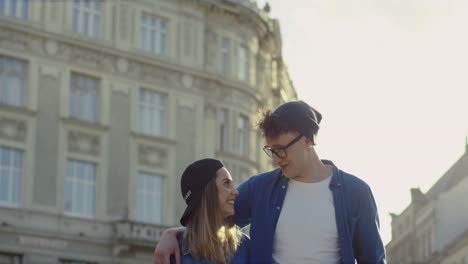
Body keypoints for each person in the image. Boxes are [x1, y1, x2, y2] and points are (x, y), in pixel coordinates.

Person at [155, 101, 385, 264]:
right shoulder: (260, 188)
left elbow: (372, 259)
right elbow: (212, 214)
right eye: (271, 151)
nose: (275, 159)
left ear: (307, 140)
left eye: (281, 150)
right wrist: (172, 234)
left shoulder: (357, 193)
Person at [170, 158, 249, 264]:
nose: (235, 192)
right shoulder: (175, 253)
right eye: (226, 183)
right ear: (208, 193)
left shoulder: (245, 247)